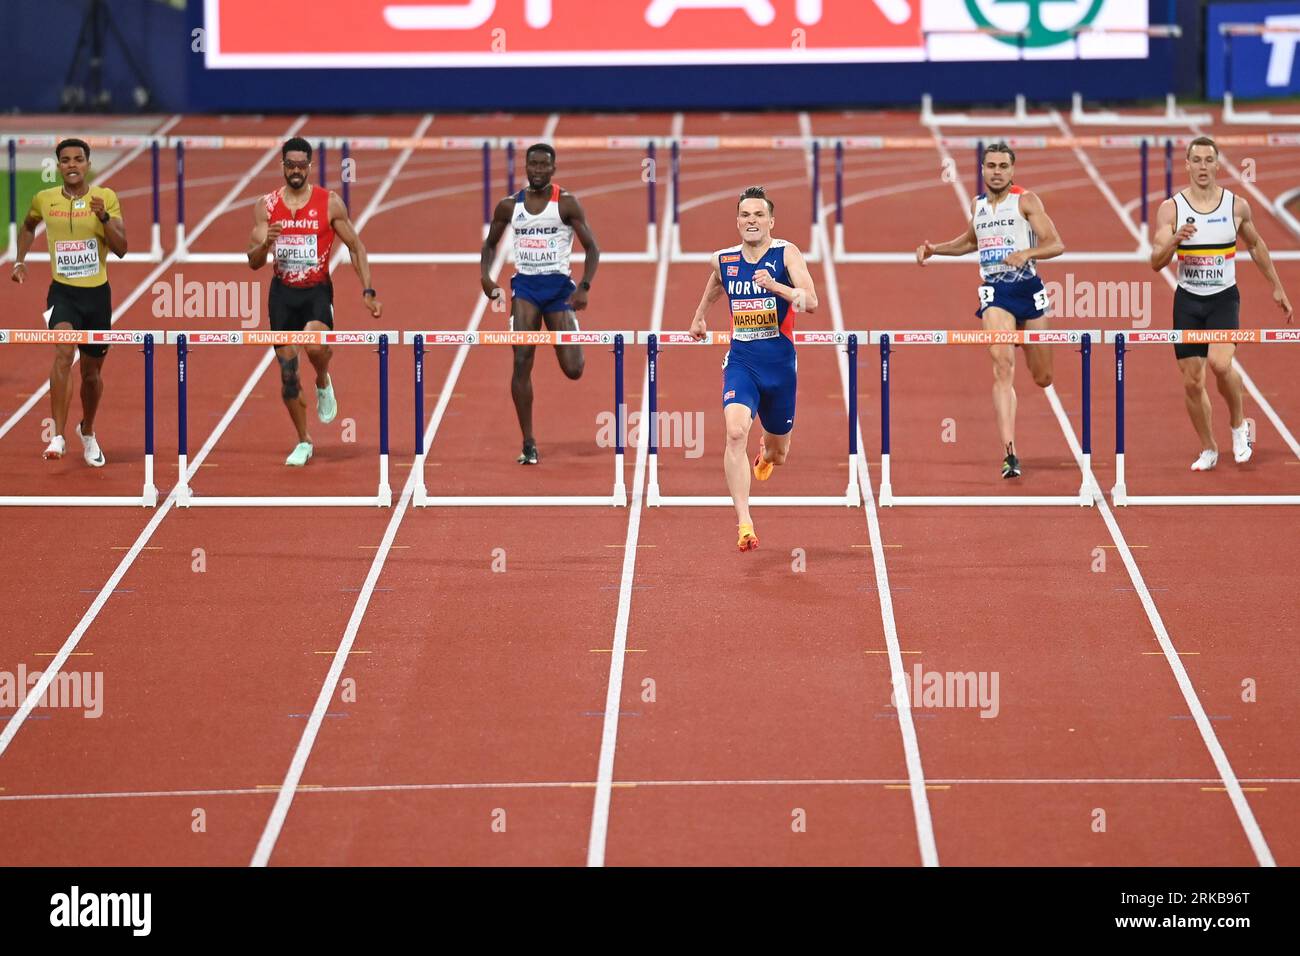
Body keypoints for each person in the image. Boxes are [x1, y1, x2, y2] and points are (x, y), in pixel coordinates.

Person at [916, 142, 1065, 479]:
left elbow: (1056, 243)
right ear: (982, 170)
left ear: (1012, 171)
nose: (996, 171)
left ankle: (1027, 341)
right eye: (991, 166)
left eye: (1003, 166)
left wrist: (1027, 254)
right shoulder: (978, 205)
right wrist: (935, 249)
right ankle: (1010, 452)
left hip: (1029, 291)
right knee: (1001, 364)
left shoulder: (1026, 201)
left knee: (1044, 377)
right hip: (996, 294)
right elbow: (971, 242)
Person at [1149, 135, 1294, 470]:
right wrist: (1174, 239)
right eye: (1196, 160)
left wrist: (1276, 287)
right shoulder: (1171, 209)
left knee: (1219, 363)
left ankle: (1238, 424)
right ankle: (1208, 447)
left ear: (1217, 164)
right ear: (1186, 164)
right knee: (1192, 381)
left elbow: (1256, 246)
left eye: (1208, 160)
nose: (1202, 166)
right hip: (1187, 301)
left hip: (1222, 299)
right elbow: (1156, 262)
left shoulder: (1236, 206)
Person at [688, 186, 818, 552]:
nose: (752, 221)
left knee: (780, 455)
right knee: (733, 432)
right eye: (745, 215)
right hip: (742, 362)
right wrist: (699, 316)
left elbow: (812, 302)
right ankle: (744, 522)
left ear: (771, 221)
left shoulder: (786, 253)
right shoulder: (724, 259)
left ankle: (766, 452)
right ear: (737, 221)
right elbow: (718, 282)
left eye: (759, 215)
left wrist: (775, 285)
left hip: (780, 367)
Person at [248, 137, 381, 466]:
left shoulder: (329, 203)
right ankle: (304, 440)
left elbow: (356, 246)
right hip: (282, 294)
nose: (295, 170)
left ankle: (323, 379)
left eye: (301, 165)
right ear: (282, 166)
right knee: (288, 373)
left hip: (316, 291)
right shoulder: (266, 206)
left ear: (309, 166)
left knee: (315, 344)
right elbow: (252, 261)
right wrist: (265, 244)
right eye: (289, 165)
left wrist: (368, 290)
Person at [481, 143, 600, 465]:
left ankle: (569, 324)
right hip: (526, 289)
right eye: (532, 164)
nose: (537, 170)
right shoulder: (509, 207)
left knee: (574, 369)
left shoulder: (566, 204)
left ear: (553, 169)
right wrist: (486, 278)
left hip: (559, 289)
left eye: (543, 165)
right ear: (525, 167)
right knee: (521, 361)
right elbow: (490, 245)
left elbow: (592, 248)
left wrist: (585, 287)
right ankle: (529, 442)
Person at [11, 137, 126, 467]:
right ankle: (58, 436)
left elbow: (122, 248)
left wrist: (104, 219)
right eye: (66, 160)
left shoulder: (106, 198)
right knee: (63, 351)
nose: (72, 164)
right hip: (62, 293)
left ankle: (86, 430)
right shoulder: (44, 199)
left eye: (78, 159)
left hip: (97, 297)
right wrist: (20, 259)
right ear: (58, 166)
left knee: (91, 375)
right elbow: (29, 225)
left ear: (88, 165)